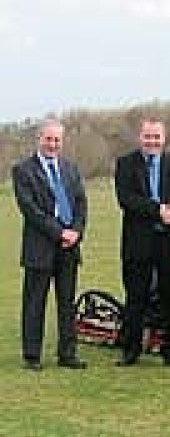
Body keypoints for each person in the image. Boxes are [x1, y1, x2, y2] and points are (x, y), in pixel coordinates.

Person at [114, 118, 170, 368]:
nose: (152, 142)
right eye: (148, 137)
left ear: (164, 138)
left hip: (169, 242)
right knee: (136, 296)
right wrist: (157, 210)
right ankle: (131, 349)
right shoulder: (126, 164)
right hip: (138, 242)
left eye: (156, 137)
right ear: (140, 138)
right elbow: (126, 199)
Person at [12, 118, 88, 370]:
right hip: (41, 246)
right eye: (48, 139)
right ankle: (32, 355)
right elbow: (30, 210)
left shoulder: (70, 168)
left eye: (57, 140)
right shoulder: (23, 170)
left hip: (69, 247)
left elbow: (80, 204)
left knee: (67, 303)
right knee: (35, 302)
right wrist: (60, 233)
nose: (53, 144)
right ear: (39, 139)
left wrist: (76, 232)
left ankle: (67, 354)